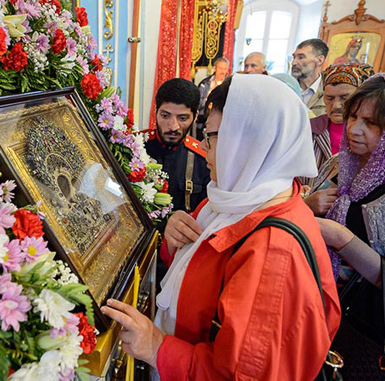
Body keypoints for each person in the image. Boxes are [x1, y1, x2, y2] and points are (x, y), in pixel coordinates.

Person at [102, 74, 341, 380]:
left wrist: (156, 346)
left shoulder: (273, 252)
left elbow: (243, 375)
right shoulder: (234, 199)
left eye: (212, 137)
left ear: (248, 143)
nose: (203, 146)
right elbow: (201, 268)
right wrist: (173, 240)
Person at [310, 73, 385, 379]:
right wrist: (307, 204)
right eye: (354, 116)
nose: (354, 129)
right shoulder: (342, 162)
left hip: (371, 331)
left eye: (372, 123)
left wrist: (343, 240)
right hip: (319, 310)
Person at [301, 63, 374, 188]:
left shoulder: (372, 134)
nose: (336, 105)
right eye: (329, 98)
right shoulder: (310, 128)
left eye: (345, 98)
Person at [144, 78, 211, 214]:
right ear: (156, 111)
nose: (173, 126)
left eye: (182, 118)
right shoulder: (134, 146)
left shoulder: (203, 160)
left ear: (195, 116)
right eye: (165, 116)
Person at [292, 39, 329, 117]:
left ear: (319, 60)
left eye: (301, 57)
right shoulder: (287, 87)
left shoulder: (329, 91)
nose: (294, 63)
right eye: (294, 57)